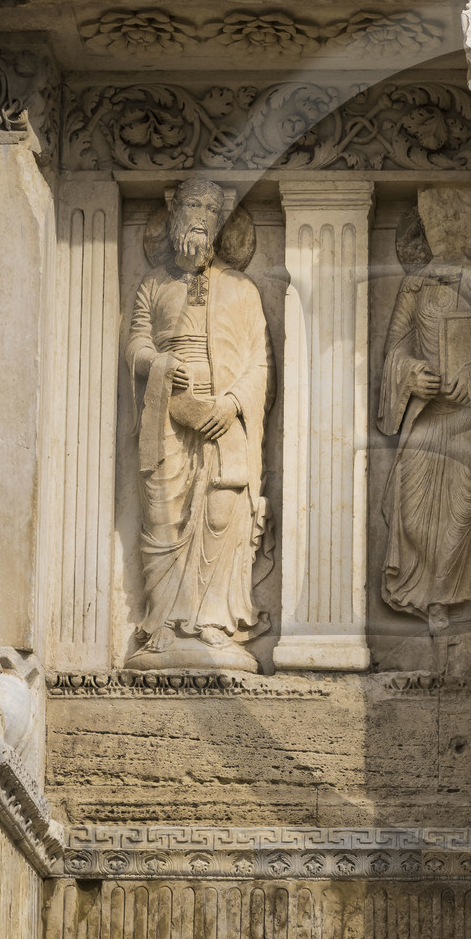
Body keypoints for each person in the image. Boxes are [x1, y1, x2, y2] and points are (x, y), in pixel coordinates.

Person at [125, 180, 272, 670]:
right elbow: (137, 344)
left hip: (223, 416)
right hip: (168, 411)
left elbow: (259, 361)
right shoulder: (152, 284)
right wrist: (160, 364)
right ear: (173, 215)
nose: (199, 217)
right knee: (162, 515)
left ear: (221, 223)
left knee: (221, 511)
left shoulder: (242, 289)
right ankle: (162, 623)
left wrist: (231, 403)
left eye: (210, 208)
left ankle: (212, 620)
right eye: (191, 206)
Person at [378, 190, 471, 630]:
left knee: (465, 509)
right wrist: (410, 374)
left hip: (469, 418)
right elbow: (395, 350)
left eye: (453, 220)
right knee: (411, 503)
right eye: (436, 222)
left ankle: (454, 595)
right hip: (426, 415)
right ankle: (424, 593)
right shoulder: (416, 283)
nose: (445, 230)